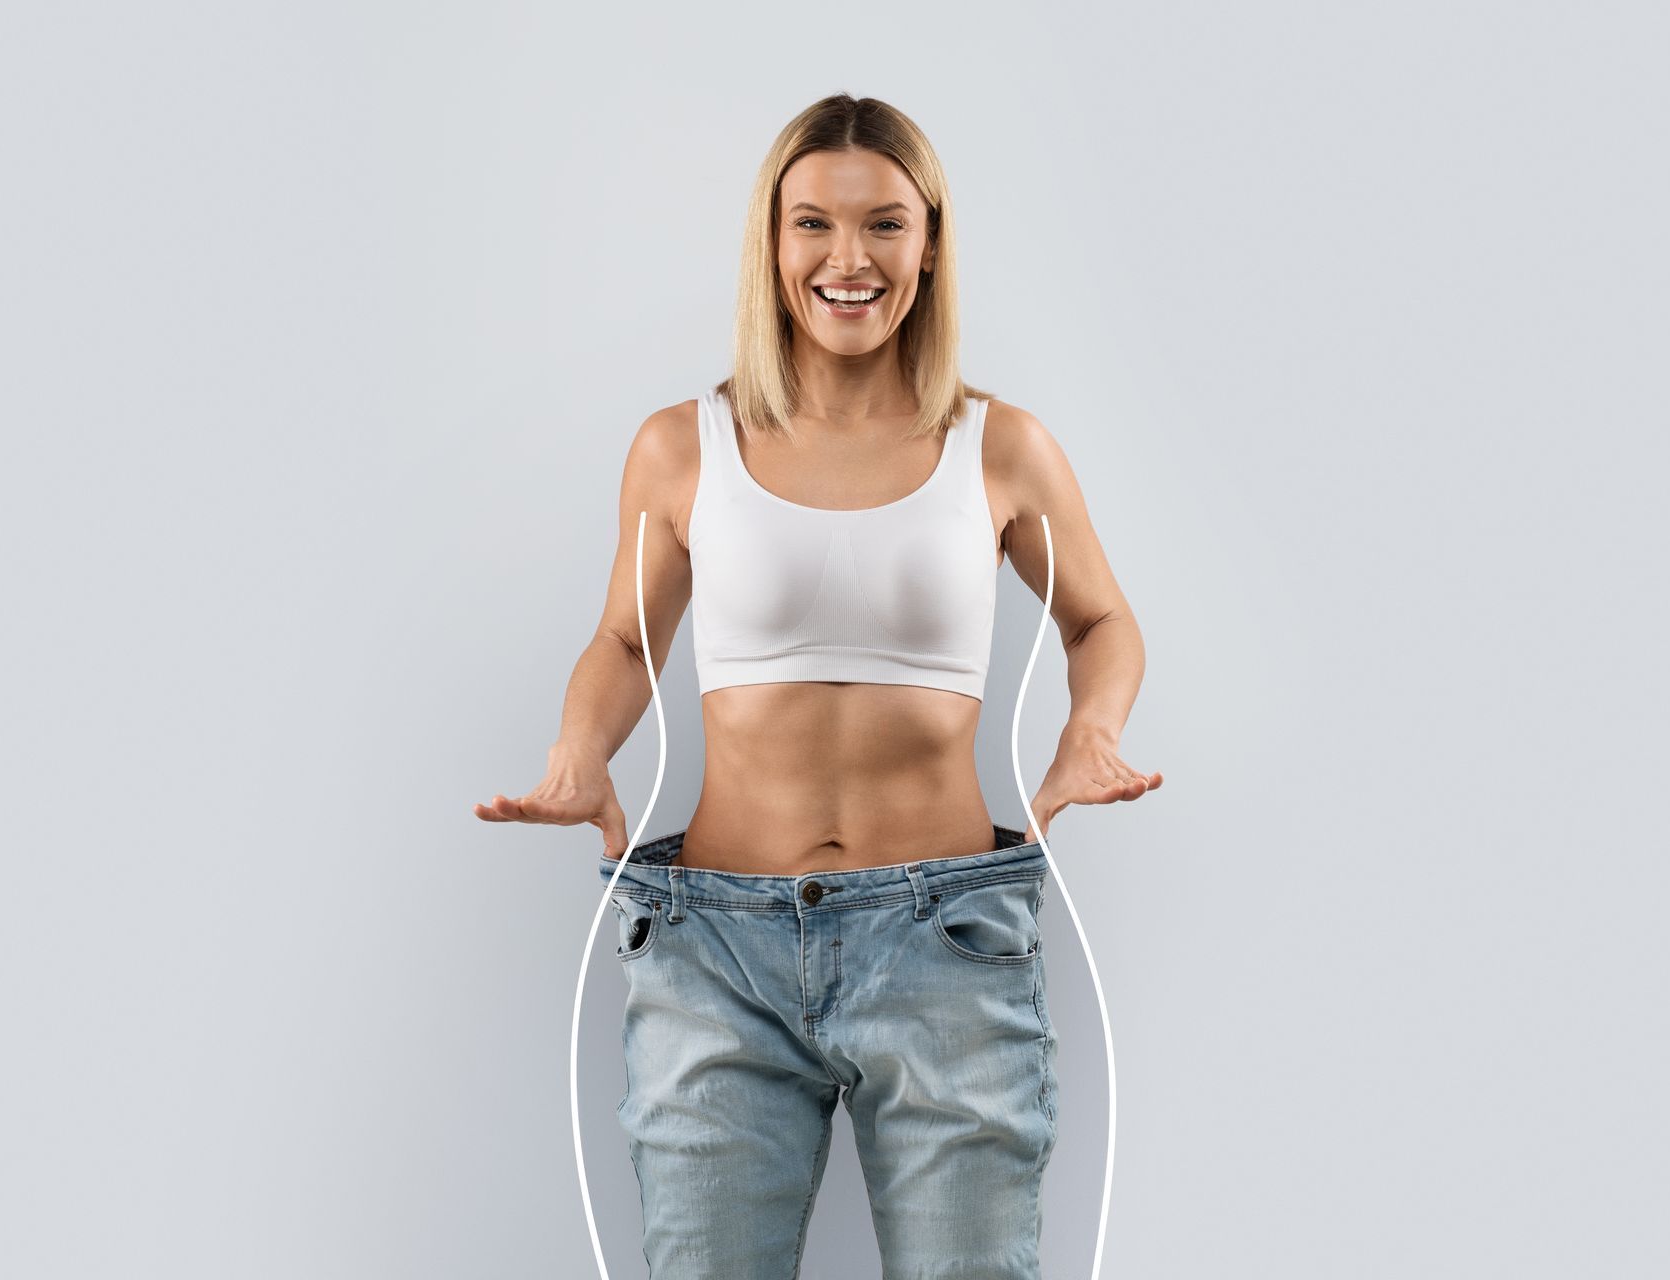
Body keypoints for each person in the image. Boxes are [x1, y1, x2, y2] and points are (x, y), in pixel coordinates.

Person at [475, 93, 1160, 1279]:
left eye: (885, 224)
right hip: (715, 952)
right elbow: (626, 644)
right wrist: (578, 757)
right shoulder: (682, 445)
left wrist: (1089, 732)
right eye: (813, 226)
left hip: (947, 940)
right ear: (772, 242)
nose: (849, 260)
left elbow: (1101, 620)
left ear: (930, 241)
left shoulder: (999, 445)